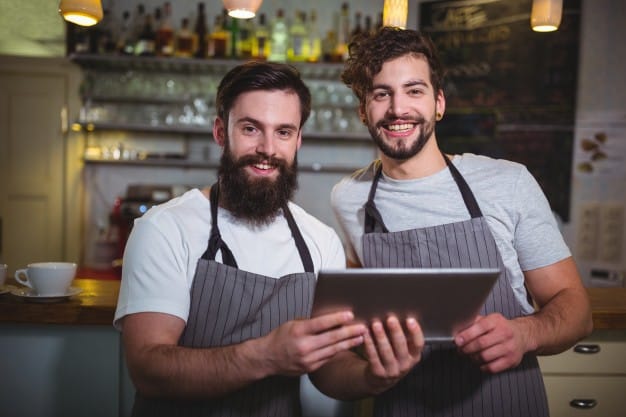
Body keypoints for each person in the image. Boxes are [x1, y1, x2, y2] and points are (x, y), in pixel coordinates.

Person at [310, 27, 593, 417]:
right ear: (363, 110)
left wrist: (523, 334)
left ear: (438, 102)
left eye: (414, 90)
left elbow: (576, 310)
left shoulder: (507, 183)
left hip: (504, 400)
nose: (398, 109)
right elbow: (362, 315)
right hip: (403, 404)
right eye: (381, 93)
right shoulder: (349, 197)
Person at [114, 61, 366, 417]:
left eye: (283, 132)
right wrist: (267, 355)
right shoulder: (165, 229)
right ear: (221, 132)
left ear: (298, 140)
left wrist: (373, 376)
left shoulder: (320, 241)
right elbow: (149, 370)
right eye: (251, 128)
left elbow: (328, 367)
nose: (267, 148)